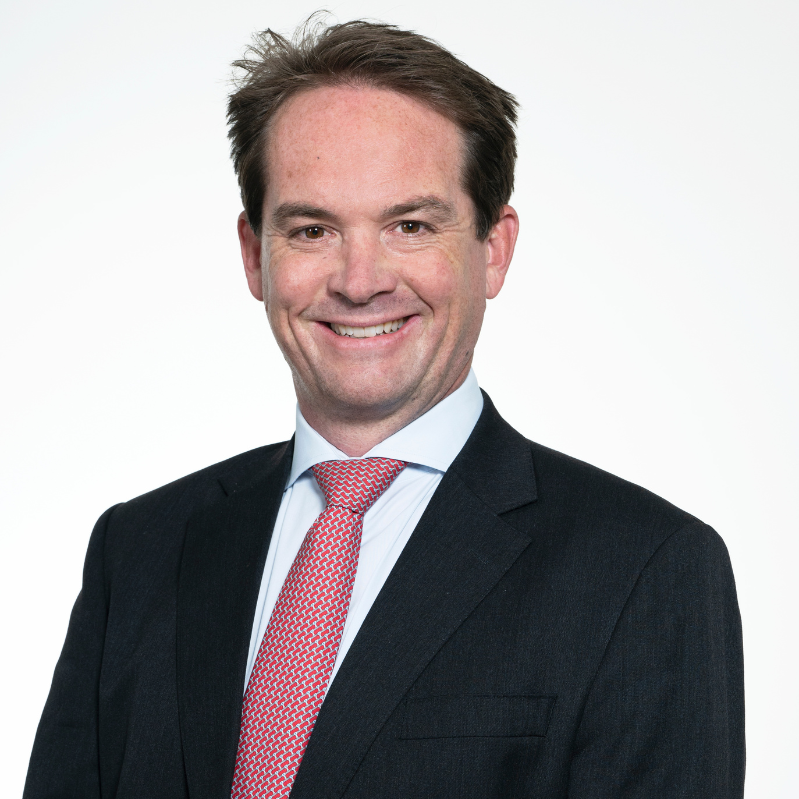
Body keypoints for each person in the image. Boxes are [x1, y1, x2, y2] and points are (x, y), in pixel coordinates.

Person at [23, 18, 744, 799]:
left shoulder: (641, 568)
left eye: (409, 225)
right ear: (253, 254)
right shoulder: (139, 550)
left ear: (493, 249)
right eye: (312, 229)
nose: (359, 279)